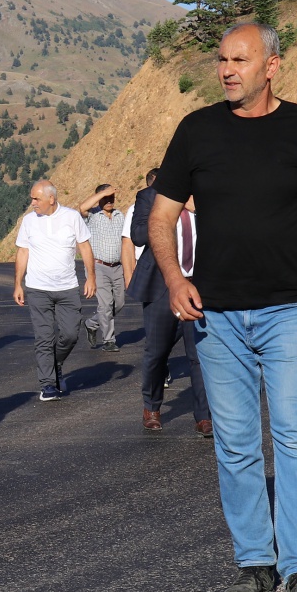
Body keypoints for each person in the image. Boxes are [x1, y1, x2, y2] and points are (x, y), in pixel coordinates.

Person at [147, 21, 297, 592]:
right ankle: (255, 560)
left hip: (291, 310)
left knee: (294, 433)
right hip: (215, 314)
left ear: (272, 65)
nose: (226, 70)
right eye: (222, 60)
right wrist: (174, 278)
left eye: (239, 60)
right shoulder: (196, 130)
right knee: (237, 443)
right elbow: (160, 217)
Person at [127, 173, 211, 437]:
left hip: (198, 282)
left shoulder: (205, 195)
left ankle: (204, 417)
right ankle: (151, 408)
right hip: (162, 284)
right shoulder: (149, 197)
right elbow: (139, 235)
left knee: (199, 353)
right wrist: (170, 212)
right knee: (157, 351)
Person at [13, 181, 97, 401]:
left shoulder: (72, 217)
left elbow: (85, 247)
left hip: (67, 288)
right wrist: (18, 283)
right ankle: (48, 384)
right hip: (38, 288)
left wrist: (91, 276)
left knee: (70, 335)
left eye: (36, 199)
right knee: (44, 337)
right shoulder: (29, 221)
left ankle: (56, 363)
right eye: (32, 198)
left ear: (51, 199)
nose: (32, 203)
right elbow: (23, 251)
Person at [80, 184, 126, 353]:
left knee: (119, 303)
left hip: (117, 266)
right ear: (99, 198)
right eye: (105, 197)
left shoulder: (120, 215)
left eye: (111, 197)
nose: (109, 200)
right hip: (98, 266)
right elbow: (82, 207)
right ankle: (109, 340)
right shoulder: (92, 215)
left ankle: (91, 323)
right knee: (105, 304)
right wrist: (103, 193)